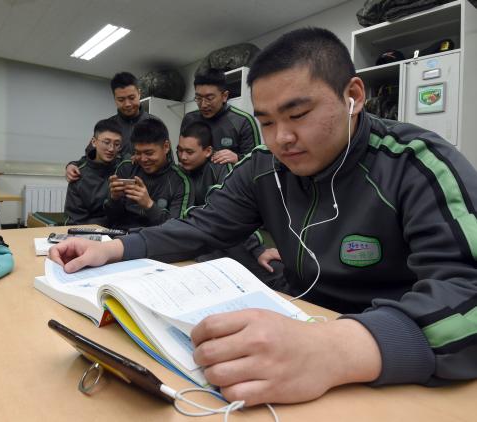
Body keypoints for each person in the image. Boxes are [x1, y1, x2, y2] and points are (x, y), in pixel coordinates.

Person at [50, 27, 477, 406]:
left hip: (392, 366)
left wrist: (332, 349)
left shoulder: (416, 163)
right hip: (297, 333)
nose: (282, 139)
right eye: (267, 122)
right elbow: (202, 225)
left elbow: (468, 295)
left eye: (298, 115)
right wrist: (116, 248)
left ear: (354, 97)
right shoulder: (263, 166)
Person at [178, 121, 282, 283]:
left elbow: (233, 215)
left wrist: (257, 249)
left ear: (207, 151)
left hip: (232, 240)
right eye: (180, 151)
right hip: (200, 236)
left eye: (189, 152)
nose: (183, 157)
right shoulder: (180, 173)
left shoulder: (221, 169)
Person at [66, 72, 158, 182]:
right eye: (121, 100)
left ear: (139, 93)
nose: (127, 104)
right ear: (114, 99)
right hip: (112, 190)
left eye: (131, 97)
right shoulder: (108, 126)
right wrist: (73, 165)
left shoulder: (155, 124)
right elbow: (91, 157)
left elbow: (166, 161)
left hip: (147, 189)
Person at [104, 118, 190, 230]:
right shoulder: (126, 168)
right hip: (118, 237)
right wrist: (114, 200)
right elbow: (110, 218)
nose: (143, 159)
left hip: (154, 241)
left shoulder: (180, 181)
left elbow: (175, 230)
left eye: (149, 153)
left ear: (166, 147)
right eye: (138, 153)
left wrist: (149, 205)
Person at [180, 68, 261, 165]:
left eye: (209, 98)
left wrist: (238, 158)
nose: (203, 105)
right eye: (198, 98)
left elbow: (257, 163)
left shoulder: (243, 121)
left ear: (224, 96)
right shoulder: (189, 119)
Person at [64, 119, 123, 226]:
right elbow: (76, 222)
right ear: (94, 142)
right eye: (106, 142)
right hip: (91, 235)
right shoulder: (78, 175)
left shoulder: (124, 169)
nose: (111, 149)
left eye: (117, 144)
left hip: (125, 234)